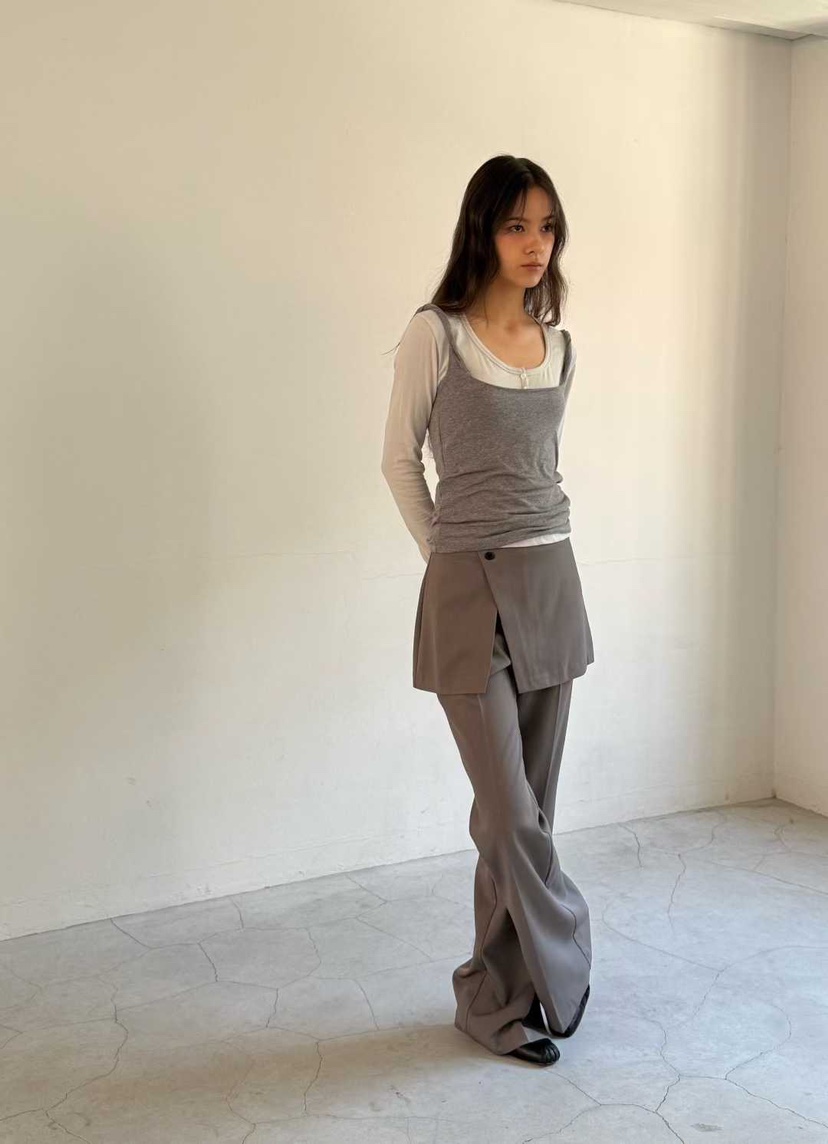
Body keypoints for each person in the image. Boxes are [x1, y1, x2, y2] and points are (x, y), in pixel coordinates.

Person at [380, 155, 594, 1067]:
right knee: (508, 817)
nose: (534, 243)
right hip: (468, 590)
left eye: (546, 227)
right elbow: (399, 462)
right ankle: (568, 946)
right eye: (515, 226)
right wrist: (448, 555)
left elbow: (539, 473)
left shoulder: (561, 347)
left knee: (530, 811)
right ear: (483, 231)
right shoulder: (434, 333)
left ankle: (498, 1001)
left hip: (552, 584)